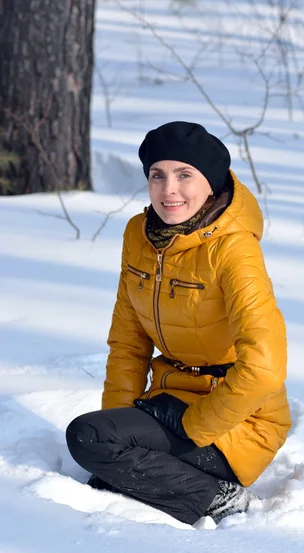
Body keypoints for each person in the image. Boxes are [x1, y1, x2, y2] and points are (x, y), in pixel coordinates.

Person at [66, 121, 291, 526]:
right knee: (97, 442)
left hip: (237, 421)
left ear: (211, 183)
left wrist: (196, 425)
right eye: (157, 175)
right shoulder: (139, 234)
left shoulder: (234, 248)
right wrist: (117, 425)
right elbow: (128, 343)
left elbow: (265, 368)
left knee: (86, 438)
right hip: (169, 402)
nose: (169, 189)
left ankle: (215, 498)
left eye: (185, 175)